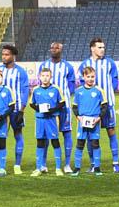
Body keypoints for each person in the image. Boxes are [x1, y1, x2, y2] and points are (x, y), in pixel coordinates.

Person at [81, 38, 119, 172]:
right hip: (91, 108)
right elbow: (82, 83)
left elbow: (115, 80)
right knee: (90, 135)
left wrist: (109, 94)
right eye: (99, 47)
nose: (102, 49)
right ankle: (93, 164)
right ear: (92, 48)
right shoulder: (85, 63)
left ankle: (115, 163)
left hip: (107, 105)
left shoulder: (110, 63)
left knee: (111, 131)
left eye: (103, 47)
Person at [41, 41, 79, 173]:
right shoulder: (44, 65)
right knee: (45, 135)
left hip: (64, 107)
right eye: (52, 47)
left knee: (66, 133)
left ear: (61, 50)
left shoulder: (67, 67)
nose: (53, 49)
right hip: (47, 108)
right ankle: (43, 164)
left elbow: (71, 85)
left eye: (56, 48)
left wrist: (62, 97)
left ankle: (67, 164)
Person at [0, 45, 30, 175]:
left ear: (13, 56)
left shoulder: (20, 71)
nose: (4, 57)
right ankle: (1, 166)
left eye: (6, 54)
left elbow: (25, 91)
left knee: (18, 135)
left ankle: (17, 165)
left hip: (16, 109)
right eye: (3, 54)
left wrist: (22, 110)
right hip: (2, 110)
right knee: (0, 137)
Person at [72, 66, 108, 176]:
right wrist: (78, 117)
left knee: (95, 143)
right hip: (82, 122)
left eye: (92, 76)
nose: (90, 79)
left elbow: (104, 106)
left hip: (94, 122)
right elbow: (74, 107)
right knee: (80, 144)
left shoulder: (99, 90)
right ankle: (77, 168)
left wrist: (98, 118)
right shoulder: (78, 91)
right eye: (88, 77)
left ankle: (97, 167)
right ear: (83, 77)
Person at [30, 67, 66, 176]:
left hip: (52, 119)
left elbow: (62, 102)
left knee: (55, 142)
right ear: (40, 77)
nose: (45, 78)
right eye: (43, 76)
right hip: (40, 119)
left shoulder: (56, 89)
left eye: (47, 76)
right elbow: (32, 103)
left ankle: (58, 168)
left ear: (51, 77)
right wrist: (39, 109)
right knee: (40, 142)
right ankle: (39, 167)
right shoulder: (36, 90)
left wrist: (53, 110)